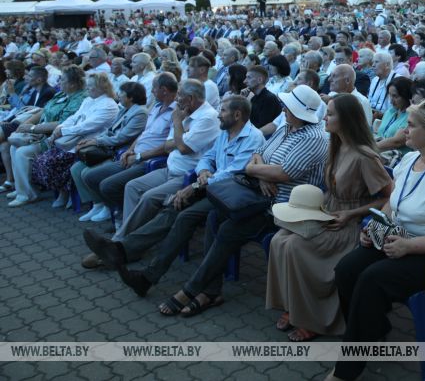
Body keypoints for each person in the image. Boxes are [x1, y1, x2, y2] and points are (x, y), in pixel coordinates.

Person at [123, 85, 328, 316]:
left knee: (226, 228)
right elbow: (258, 154)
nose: (283, 109)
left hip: (281, 207)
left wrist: (254, 170)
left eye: (287, 106)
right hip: (255, 196)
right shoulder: (287, 128)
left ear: (299, 111)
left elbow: (283, 174)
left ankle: (191, 290)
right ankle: (207, 290)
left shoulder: (314, 137)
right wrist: (259, 171)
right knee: (211, 217)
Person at [327, 100, 425, 381]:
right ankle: (372, 332)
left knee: (372, 279)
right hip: (401, 238)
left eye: (410, 126)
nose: (404, 131)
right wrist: (374, 225)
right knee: (346, 270)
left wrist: (410, 246)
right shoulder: (410, 160)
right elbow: (392, 204)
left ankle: (347, 369)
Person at [83, 95, 264, 297]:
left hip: (231, 196)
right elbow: (208, 157)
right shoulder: (226, 131)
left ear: (237, 115)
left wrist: (196, 185)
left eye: (222, 111)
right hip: (211, 188)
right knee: (173, 207)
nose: (219, 115)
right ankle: (125, 253)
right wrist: (203, 171)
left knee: (184, 215)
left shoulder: (253, 138)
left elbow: (232, 173)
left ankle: (141, 269)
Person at [266, 94, 391, 341]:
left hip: (351, 223)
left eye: (331, 113)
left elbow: (389, 198)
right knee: (278, 240)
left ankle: (314, 319)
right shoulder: (336, 145)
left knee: (296, 247)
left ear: (346, 119)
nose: (325, 116)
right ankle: (293, 307)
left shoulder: (365, 156)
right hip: (328, 213)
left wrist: (350, 214)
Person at [111, 79, 220, 239]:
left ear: (190, 99)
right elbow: (169, 146)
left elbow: (182, 148)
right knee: (132, 186)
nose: (176, 99)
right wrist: (181, 134)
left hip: (186, 176)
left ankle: (120, 241)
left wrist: (177, 123)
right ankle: (129, 236)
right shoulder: (184, 112)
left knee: (149, 197)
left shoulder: (208, 118)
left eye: (180, 95)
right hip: (169, 169)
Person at [6, 66, 88, 207]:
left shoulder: (79, 99)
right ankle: (22, 189)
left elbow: (63, 124)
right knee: (13, 146)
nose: (59, 82)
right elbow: (44, 111)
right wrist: (25, 124)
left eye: (62, 79)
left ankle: (27, 194)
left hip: (56, 138)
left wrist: (33, 128)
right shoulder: (62, 94)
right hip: (41, 133)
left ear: (73, 83)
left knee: (22, 152)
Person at [69, 81, 149, 221]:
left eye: (121, 93)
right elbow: (110, 130)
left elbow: (122, 138)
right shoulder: (124, 109)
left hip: (119, 152)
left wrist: (97, 141)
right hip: (108, 149)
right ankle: (97, 204)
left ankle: (107, 206)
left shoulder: (140, 113)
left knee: (88, 173)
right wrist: (94, 139)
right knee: (76, 169)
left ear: (130, 97)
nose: (118, 95)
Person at [374, 77, 412, 162]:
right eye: (390, 95)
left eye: (395, 96)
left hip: (397, 160)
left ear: (406, 96)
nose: (391, 101)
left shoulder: (411, 116)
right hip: (379, 155)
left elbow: (396, 142)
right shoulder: (390, 111)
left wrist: (369, 148)